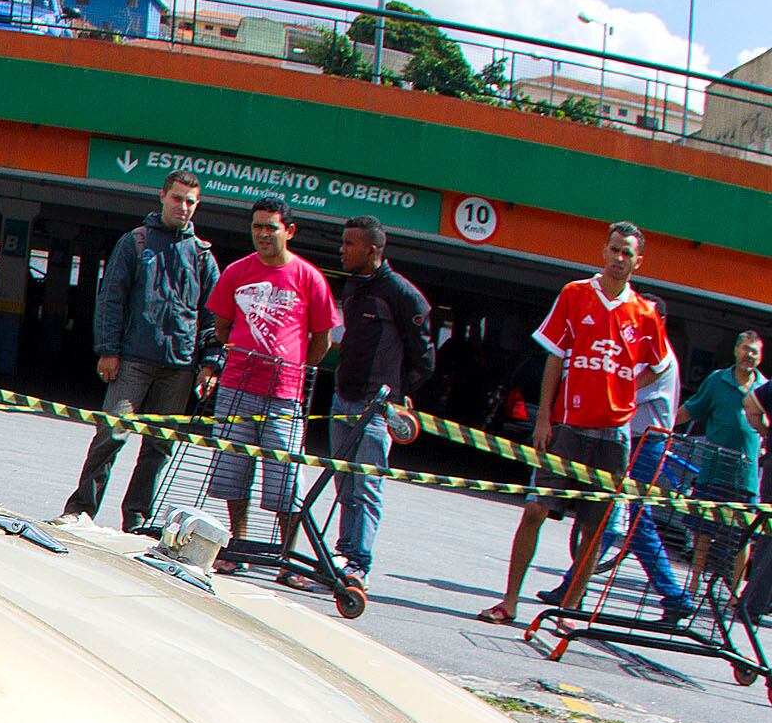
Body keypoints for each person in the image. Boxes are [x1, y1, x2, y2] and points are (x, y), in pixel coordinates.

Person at [481, 223, 684, 625]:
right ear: (603, 252)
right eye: (614, 250)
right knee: (535, 510)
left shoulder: (643, 312)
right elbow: (554, 357)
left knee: (594, 528)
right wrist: (543, 419)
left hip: (614, 436)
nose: (619, 259)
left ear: (638, 261)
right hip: (568, 427)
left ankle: (569, 611)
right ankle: (509, 601)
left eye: (627, 253)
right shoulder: (575, 294)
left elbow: (660, 367)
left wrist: (625, 387)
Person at [60, 168, 219, 531]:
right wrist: (108, 350)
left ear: (198, 206)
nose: (183, 207)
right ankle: (80, 509)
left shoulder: (202, 256)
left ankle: (136, 519)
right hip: (132, 360)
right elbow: (112, 298)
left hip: (179, 367)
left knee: (159, 448)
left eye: (190, 202)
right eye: (177, 198)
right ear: (162, 196)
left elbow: (213, 316)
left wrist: (209, 363)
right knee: (110, 434)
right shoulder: (136, 242)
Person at [203, 197, 338, 564]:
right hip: (235, 390)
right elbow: (221, 326)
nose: (262, 234)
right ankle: (237, 548)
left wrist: (293, 370)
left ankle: (285, 558)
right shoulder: (236, 272)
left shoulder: (309, 278)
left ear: (289, 231)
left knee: (286, 483)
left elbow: (323, 339)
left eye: (270, 227)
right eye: (257, 227)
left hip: (284, 397)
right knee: (233, 475)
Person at [325, 216, 434, 607]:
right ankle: (342, 553)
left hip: (376, 408)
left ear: (373, 249)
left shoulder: (403, 295)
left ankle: (359, 565)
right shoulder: (353, 285)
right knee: (344, 485)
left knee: (367, 488)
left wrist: (396, 396)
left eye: (350, 244)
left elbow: (425, 360)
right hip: (342, 398)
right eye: (343, 242)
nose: (343, 249)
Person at [680, 329, 767, 587]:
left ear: (760, 358)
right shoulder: (717, 380)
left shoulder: (765, 388)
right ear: (736, 350)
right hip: (713, 471)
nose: (748, 355)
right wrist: (662, 425)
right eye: (745, 349)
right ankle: (694, 582)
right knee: (703, 532)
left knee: (741, 537)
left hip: (746, 477)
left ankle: (736, 591)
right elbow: (692, 409)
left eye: (754, 352)